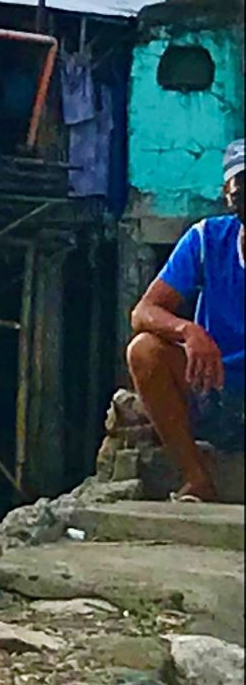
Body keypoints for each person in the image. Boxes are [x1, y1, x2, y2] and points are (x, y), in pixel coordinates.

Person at [126, 139, 246, 500]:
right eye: (241, 188)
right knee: (144, 351)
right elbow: (143, 312)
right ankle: (197, 479)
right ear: (227, 195)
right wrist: (188, 330)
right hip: (215, 389)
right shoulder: (207, 239)